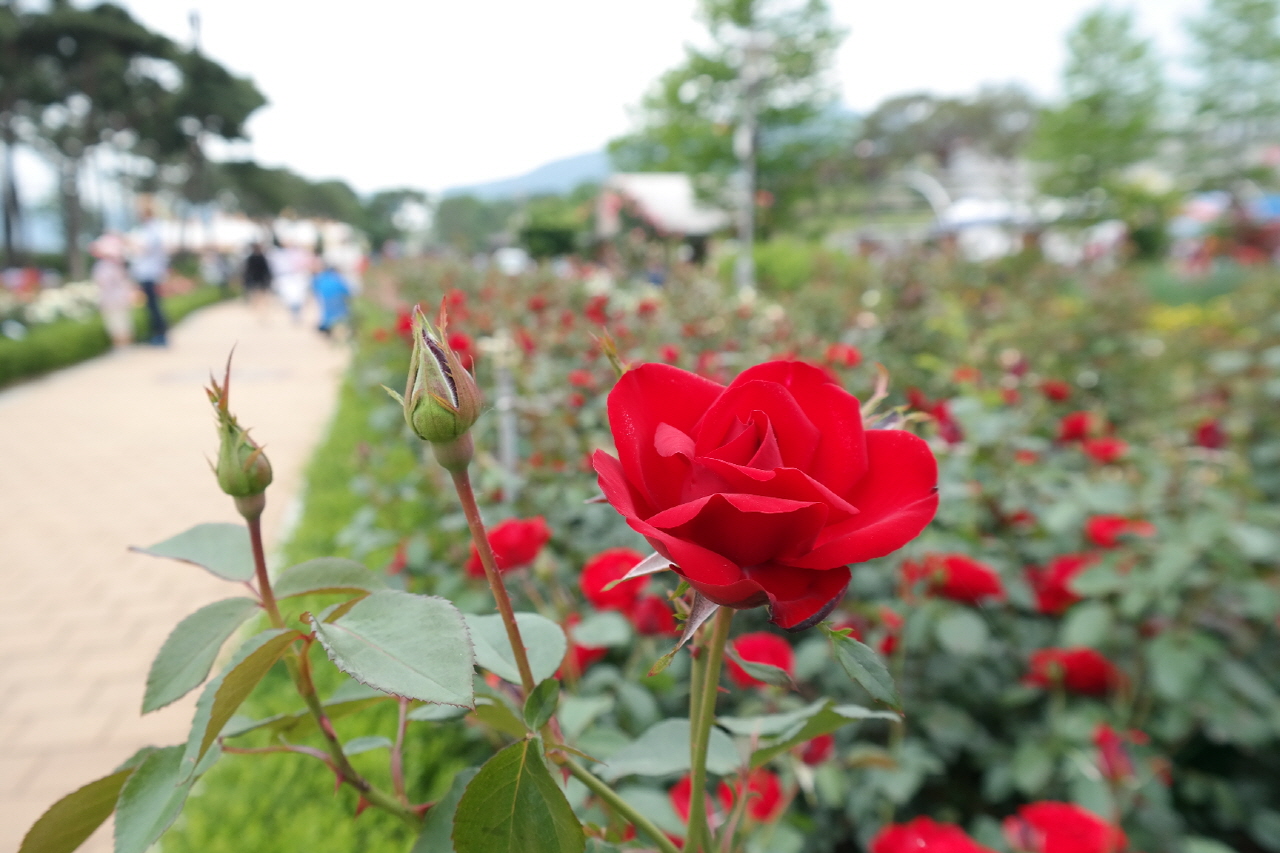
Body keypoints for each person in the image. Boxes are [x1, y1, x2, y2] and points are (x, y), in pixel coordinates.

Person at [129, 201, 169, 345]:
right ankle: (157, 334)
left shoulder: (153, 228)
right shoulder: (149, 228)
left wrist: (128, 242)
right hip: (148, 272)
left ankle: (160, 335)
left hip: (150, 273)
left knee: (154, 307)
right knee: (151, 306)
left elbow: (145, 248)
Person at [90, 233, 133, 348]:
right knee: (120, 321)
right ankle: (123, 345)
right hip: (116, 297)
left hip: (113, 297)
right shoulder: (115, 265)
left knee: (117, 322)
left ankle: (122, 345)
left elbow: (102, 282)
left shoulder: (106, 265)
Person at [270, 240, 313, 324]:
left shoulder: (300, 253)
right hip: (286, 277)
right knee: (289, 298)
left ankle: (297, 313)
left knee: (299, 297)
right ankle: (294, 314)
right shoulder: (279, 254)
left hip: (298, 276)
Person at [312, 263, 351, 337]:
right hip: (337, 301)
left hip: (325, 301)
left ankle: (326, 328)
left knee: (326, 315)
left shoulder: (320, 279)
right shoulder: (338, 279)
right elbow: (347, 291)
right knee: (341, 315)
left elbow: (315, 289)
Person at [242, 242, 272, 311]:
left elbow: (266, 269)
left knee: (261, 293)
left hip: (260, 279)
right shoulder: (253, 258)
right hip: (255, 278)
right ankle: (258, 306)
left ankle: (261, 306)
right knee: (256, 293)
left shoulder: (261, 258)